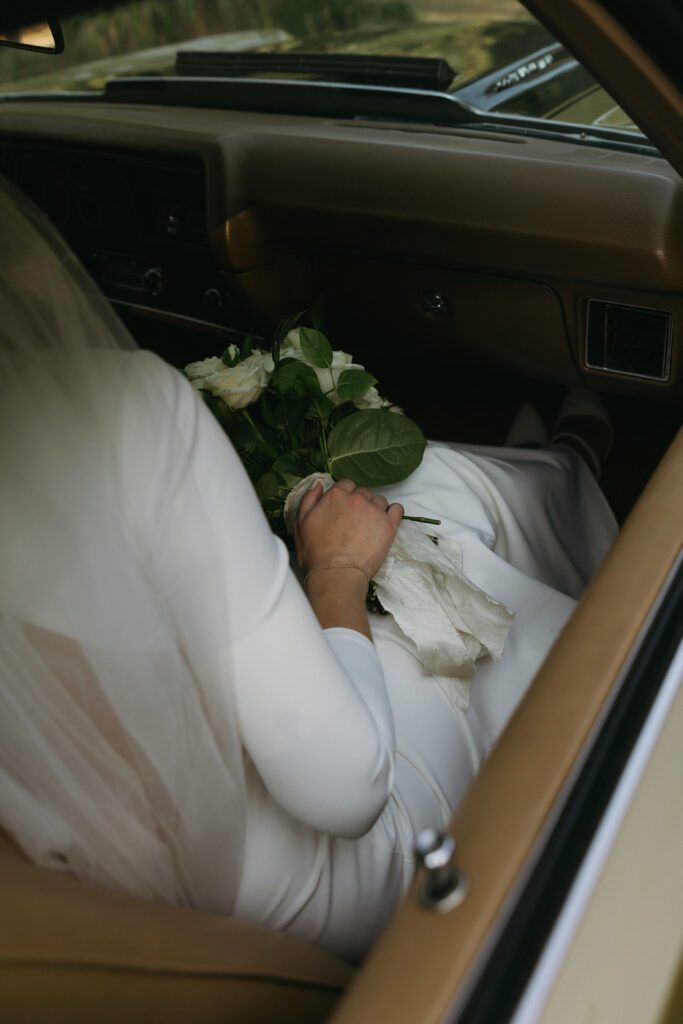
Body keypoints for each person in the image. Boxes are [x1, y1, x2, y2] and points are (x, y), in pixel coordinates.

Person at [0, 181, 617, 964]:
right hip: (334, 874)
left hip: (143, 891)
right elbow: (347, 788)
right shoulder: (121, 413)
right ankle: (575, 470)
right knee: (436, 520)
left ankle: (562, 468)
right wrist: (333, 570)